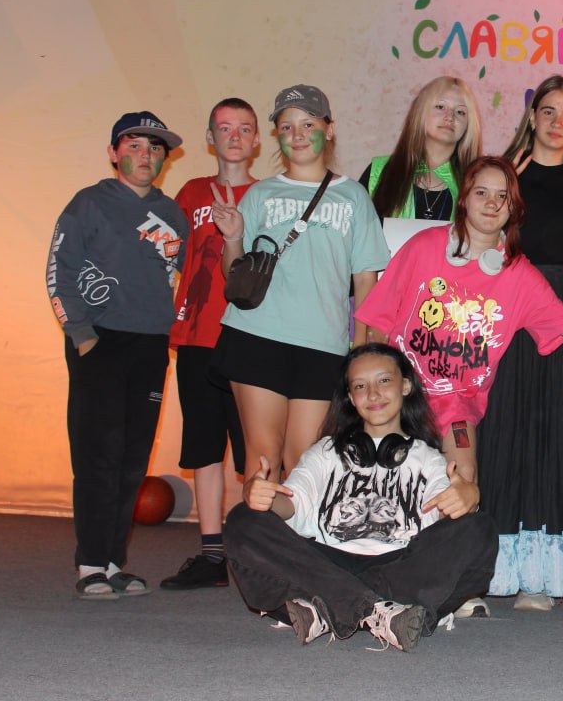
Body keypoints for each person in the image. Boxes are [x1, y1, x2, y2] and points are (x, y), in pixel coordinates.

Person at [353, 156, 563, 499]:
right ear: (464, 198)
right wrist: (369, 384)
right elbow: (375, 324)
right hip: (401, 392)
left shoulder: (520, 275)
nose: (492, 203)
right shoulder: (423, 247)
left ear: (514, 207)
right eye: (482, 193)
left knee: (464, 479)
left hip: (457, 406)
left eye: (502, 196)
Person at [224, 343, 497, 649]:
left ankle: (328, 607)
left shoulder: (429, 459)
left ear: (406, 386)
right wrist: (262, 496)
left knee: (479, 529)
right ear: (351, 398)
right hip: (327, 561)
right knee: (242, 520)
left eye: (384, 380)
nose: (373, 394)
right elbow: (291, 501)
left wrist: (466, 497)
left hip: (399, 568)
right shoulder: (326, 452)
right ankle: (379, 611)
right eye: (360, 386)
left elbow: (443, 513)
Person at [477, 75, 563, 610]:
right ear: (532, 116)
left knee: (560, 434)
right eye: (549, 111)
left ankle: (542, 576)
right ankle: (489, 567)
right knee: (503, 429)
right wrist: (501, 193)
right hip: (505, 308)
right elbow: (475, 245)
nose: (557, 122)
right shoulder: (504, 176)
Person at [210, 84, 389, 485]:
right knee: (263, 459)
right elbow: (233, 272)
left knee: (306, 465)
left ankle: (298, 532)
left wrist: (361, 349)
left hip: (322, 346)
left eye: (308, 124)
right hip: (256, 336)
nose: (297, 134)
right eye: (287, 126)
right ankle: (258, 530)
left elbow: (366, 279)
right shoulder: (260, 193)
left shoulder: (354, 197)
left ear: (329, 129)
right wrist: (233, 236)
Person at [46, 111, 190, 599]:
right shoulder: (88, 203)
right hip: (100, 342)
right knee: (97, 455)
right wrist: (81, 334)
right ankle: (89, 562)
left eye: (154, 148)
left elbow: (188, 276)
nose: (145, 155)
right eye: (134, 145)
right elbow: (60, 270)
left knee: (132, 457)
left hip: (150, 346)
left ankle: (112, 562)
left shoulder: (172, 215)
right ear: (114, 153)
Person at [159, 98, 259, 590]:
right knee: (204, 447)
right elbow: (170, 260)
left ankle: (258, 553)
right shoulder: (191, 192)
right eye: (224, 128)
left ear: (257, 139)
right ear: (210, 138)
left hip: (252, 337)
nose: (234, 136)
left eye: (244, 128)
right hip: (197, 336)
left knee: (255, 451)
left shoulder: (268, 195)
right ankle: (212, 554)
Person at [362, 76, 483, 221]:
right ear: (420, 112)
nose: (450, 117)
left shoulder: (477, 183)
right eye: (440, 107)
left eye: (460, 112)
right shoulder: (378, 172)